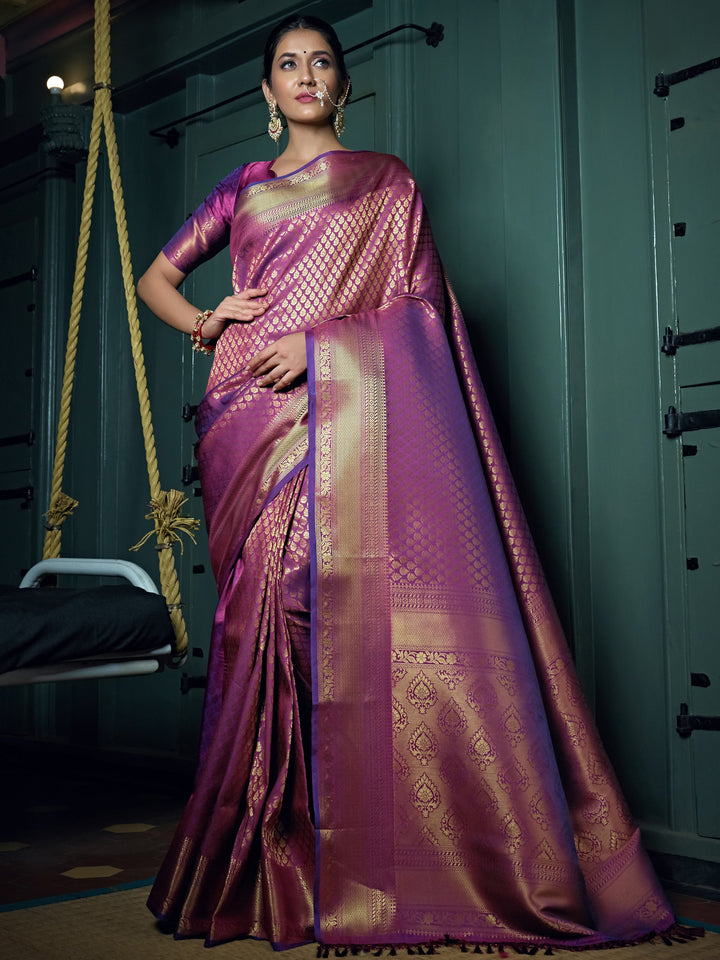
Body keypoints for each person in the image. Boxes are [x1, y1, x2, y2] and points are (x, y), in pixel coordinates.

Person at [138, 13, 679, 952]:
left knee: (337, 630)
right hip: (247, 431)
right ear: (267, 97)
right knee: (259, 639)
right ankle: (275, 867)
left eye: (321, 63)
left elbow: (422, 314)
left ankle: (368, 867)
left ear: (342, 86)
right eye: (287, 67)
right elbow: (154, 278)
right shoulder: (244, 188)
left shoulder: (387, 185)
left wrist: (320, 354)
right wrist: (208, 322)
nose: (305, 76)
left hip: (342, 423)